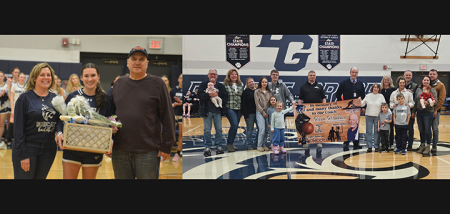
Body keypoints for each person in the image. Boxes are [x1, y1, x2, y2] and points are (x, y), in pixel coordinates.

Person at [104, 46, 176, 179]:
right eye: (134, 59)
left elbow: (168, 116)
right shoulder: (119, 83)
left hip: (148, 151)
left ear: (147, 63)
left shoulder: (158, 83)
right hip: (120, 150)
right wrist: (106, 142)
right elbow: (109, 116)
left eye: (141, 59)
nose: (137, 62)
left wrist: (167, 145)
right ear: (127, 62)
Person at [12, 63, 64, 179]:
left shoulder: (55, 98)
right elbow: (18, 130)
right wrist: (23, 154)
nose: (46, 78)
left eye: (49, 75)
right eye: (42, 75)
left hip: (48, 149)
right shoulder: (24, 98)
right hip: (28, 148)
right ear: (34, 78)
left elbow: (60, 120)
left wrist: (60, 132)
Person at [61, 63, 110, 179]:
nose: (90, 79)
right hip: (72, 147)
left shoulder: (106, 99)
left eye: (93, 75)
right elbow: (61, 119)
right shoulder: (73, 96)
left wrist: (110, 141)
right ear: (81, 78)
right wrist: (59, 133)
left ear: (98, 77)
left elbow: (110, 124)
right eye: (86, 76)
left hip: (94, 149)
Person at [198, 69, 227, 156]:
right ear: (208, 75)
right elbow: (199, 95)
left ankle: (218, 146)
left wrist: (218, 100)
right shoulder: (203, 85)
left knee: (219, 129)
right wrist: (209, 95)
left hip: (218, 111)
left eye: (214, 74)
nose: (213, 75)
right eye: (211, 74)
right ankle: (207, 147)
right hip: (207, 111)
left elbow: (225, 97)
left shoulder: (221, 86)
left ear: (217, 76)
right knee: (207, 130)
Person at [298, 70, 326, 148]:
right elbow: (300, 99)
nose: (312, 76)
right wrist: (300, 110)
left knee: (318, 126)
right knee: (306, 126)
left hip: (317, 110)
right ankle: (306, 141)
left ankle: (318, 141)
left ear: (315, 76)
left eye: (313, 75)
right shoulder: (303, 87)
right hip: (307, 111)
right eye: (311, 75)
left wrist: (324, 107)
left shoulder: (319, 86)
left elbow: (323, 98)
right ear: (308, 76)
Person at [412, 76, 437, 156]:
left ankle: (427, 146)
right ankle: (422, 145)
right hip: (419, 112)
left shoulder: (432, 90)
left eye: (427, 80)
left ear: (429, 81)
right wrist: (414, 111)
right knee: (421, 129)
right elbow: (416, 101)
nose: (426, 81)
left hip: (428, 112)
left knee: (427, 129)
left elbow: (435, 101)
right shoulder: (419, 89)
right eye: (424, 80)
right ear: (422, 81)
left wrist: (428, 104)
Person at [389, 76, 414, 150]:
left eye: (403, 82)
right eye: (400, 82)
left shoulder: (408, 93)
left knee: (406, 132)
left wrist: (408, 105)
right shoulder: (393, 93)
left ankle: (406, 146)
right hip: (397, 116)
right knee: (398, 133)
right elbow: (391, 103)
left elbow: (412, 103)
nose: (402, 84)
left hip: (405, 115)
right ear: (398, 83)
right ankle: (398, 146)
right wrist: (393, 105)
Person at [360, 83, 386, 152]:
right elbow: (362, 104)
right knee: (369, 132)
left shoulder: (381, 96)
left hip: (378, 116)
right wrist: (359, 100)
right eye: (374, 87)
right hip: (369, 115)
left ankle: (376, 146)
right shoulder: (368, 96)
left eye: (377, 88)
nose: (376, 89)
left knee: (376, 132)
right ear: (372, 88)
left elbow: (384, 105)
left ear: (379, 89)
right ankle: (369, 146)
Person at [223, 69, 244, 152]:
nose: (234, 76)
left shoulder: (240, 84)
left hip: (238, 108)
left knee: (235, 127)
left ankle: (231, 144)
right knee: (234, 125)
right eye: (232, 74)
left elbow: (242, 96)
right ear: (229, 76)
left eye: (235, 74)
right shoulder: (225, 85)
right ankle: (229, 144)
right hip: (229, 107)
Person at [6, 73, 26, 147]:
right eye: (21, 77)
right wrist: (12, 109)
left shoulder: (26, 87)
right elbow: (11, 98)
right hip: (15, 107)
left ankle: (19, 140)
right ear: (18, 78)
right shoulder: (14, 86)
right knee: (12, 122)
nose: (22, 78)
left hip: (24, 108)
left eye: (23, 77)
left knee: (22, 123)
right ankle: (8, 140)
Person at [429, 69, 446, 153]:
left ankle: (434, 145)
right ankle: (427, 145)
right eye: (430, 74)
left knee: (435, 128)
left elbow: (441, 99)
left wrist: (436, 110)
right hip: (427, 111)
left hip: (435, 111)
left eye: (433, 74)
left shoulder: (440, 85)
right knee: (427, 129)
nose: (432, 75)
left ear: (437, 75)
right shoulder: (426, 84)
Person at [255, 76, 273, 152]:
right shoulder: (257, 91)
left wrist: (269, 112)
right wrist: (262, 112)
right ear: (260, 83)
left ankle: (264, 144)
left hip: (267, 112)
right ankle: (259, 145)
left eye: (266, 82)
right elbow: (257, 103)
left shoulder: (270, 92)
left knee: (266, 129)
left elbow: (271, 102)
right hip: (260, 112)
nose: (264, 83)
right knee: (262, 129)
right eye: (263, 82)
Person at [241, 77, 258, 150]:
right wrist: (246, 114)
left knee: (261, 129)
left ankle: (256, 143)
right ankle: (249, 145)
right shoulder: (245, 92)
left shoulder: (258, 91)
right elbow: (243, 104)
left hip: (258, 113)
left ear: (254, 82)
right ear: (247, 84)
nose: (251, 83)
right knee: (249, 130)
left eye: (252, 81)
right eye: (249, 82)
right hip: (250, 114)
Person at [170, 74, 183, 162]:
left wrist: (182, 103)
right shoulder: (173, 90)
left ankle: (178, 153)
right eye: (181, 78)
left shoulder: (188, 91)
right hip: (174, 114)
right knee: (170, 133)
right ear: (178, 79)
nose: (182, 79)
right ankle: (165, 151)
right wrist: (174, 104)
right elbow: (168, 104)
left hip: (183, 115)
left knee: (181, 134)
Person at [380, 75, 396, 147]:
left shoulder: (393, 89)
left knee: (390, 126)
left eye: (387, 80)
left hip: (390, 110)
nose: (386, 81)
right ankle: (383, 142)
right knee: (382, 126)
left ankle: (391, 142)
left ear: (390, 81)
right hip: (382, 110)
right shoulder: (380, 90)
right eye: (385, 80)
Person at [404, 70, 418, 151]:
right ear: (404, 75)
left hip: (410, 111)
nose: (408, 76)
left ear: (411, 76)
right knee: (402, 128)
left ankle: (410, 144)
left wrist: (413, 111)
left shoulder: (415, 86)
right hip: (401, 112)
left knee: (410, 128)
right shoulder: (400, 84)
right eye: (406, 75)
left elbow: (416, 100)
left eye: (409, 75)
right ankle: (403, 143)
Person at [0, 71, 11, 149]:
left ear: (3, 77)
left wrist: (8, 87)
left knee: (1, 124)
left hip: (3, 107)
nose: (0, 77)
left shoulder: (6, 86)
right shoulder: (5, 87)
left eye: (1, 76)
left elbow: (10, 98)